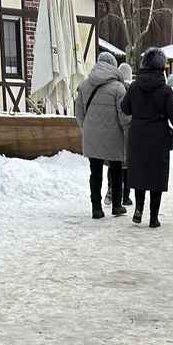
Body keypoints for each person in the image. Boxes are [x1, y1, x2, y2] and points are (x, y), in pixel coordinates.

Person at [119, 47, 173, 228]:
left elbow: (125, 108)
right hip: (158, 137)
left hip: (137, 135)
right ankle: (153, 218)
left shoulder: (134, 87)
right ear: (161, 69)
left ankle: (138, 210)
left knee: (140, 173)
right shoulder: (165, 90)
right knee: (156, 176)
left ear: (144, 66)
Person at [74, 49, 130, 220]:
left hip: (91, 135)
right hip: (114, 136)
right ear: (113, 66)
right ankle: (117, 205)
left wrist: (88, 130)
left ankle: (96, 208)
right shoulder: (119, 88)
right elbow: (124, 116)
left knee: (95, 171)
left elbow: (79, 113)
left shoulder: (84, 85)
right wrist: (128, 134)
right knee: (116, 169)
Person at [114, 61, 134, 207]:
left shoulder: (115, 87)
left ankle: (111, 189)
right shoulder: (131, 89)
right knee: (127, 167)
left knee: (114, 164)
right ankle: (126, 196)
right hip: (128, 129)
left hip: (115, 130)